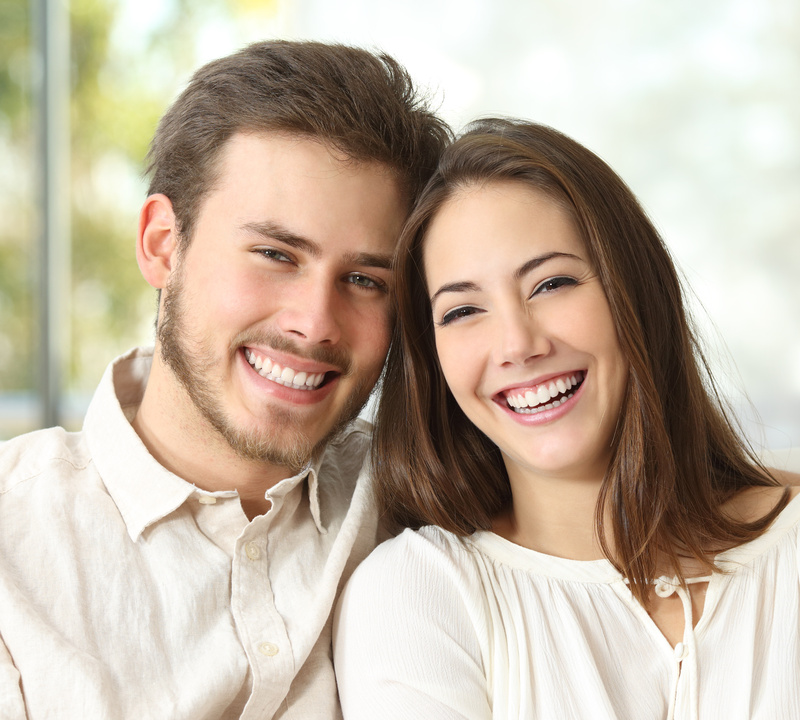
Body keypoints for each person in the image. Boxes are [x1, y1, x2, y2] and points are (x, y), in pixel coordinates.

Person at [0, 40, 449, 719]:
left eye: (363, 280)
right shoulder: (12, 544)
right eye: (275, 254)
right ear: (162, 244)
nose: (315, 323)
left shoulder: (429, 497)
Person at [334, 118, 800, 719]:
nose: (517, 344)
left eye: (551, 283)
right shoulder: (417, 597)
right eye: (462, 310)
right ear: (432, 359)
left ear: (636, 289)